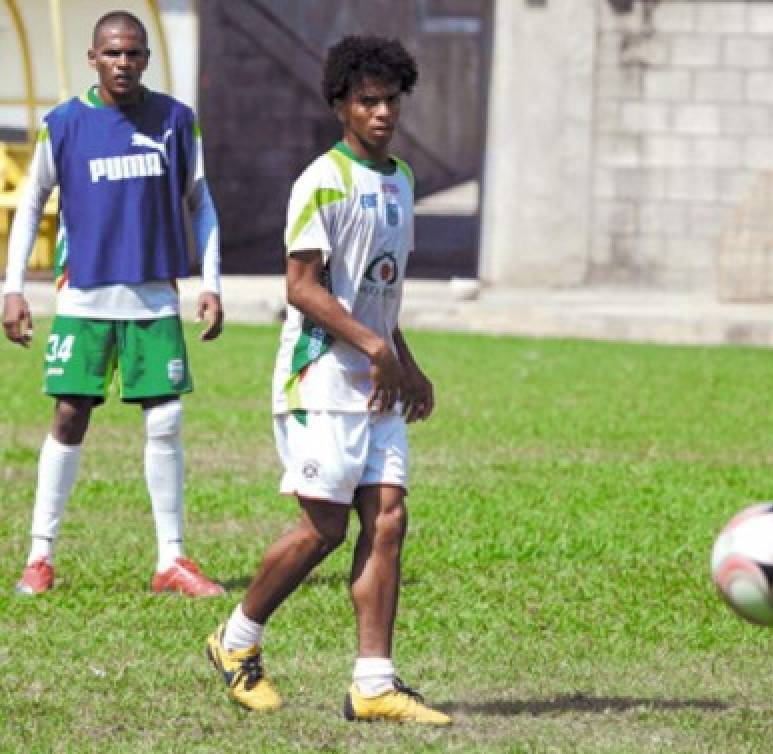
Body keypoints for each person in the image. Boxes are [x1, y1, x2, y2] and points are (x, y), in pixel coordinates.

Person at [204, 35, 450, 725]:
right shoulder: (322, 181)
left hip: (375, 378)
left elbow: (377, 292)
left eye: (390, 100)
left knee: (389, 518)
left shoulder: (400, 180)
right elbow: (303, 289)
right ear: (340, 105)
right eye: (366, 101)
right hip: (318, 379)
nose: (380, 113)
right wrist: (376, 346)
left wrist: (403, 357)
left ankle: (374, 683)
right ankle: (235, 640)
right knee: (323, 527)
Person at [2, 11, 224, 596]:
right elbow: (30, 206)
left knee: (166, 416)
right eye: (112, 53)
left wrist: (212, 282)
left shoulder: (177, 121)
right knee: (71, 413)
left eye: (133, 53)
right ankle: (39, 557)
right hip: (84, 295)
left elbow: (201, 203)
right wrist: (14, 288)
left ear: (146, 58)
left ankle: (171, 560)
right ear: (93, 59)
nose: (123, 63)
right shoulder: (65, 123)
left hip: (153, 294)